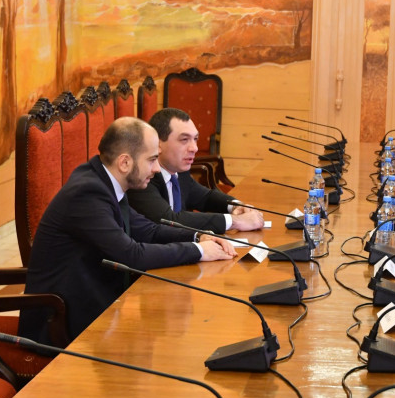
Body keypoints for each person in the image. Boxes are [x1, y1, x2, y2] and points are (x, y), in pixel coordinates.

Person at [19, 117, 236, 346]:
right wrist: (198, 251)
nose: (155, 168)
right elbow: (131, 254)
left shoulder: (105, 181)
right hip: (61, 325)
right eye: (152, 159)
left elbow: (148, 230)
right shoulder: (88, 193)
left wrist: (198, 236)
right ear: (125, 162)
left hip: (98, 308)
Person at [128, 108, 264, 233]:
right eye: (184, 140)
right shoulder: (142, 176)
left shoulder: (179, 172)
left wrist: (236, 206)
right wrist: (235, 222)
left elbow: (205, 197)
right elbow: (170, 220)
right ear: (157, 143)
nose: (194, 148)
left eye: (195, 139)